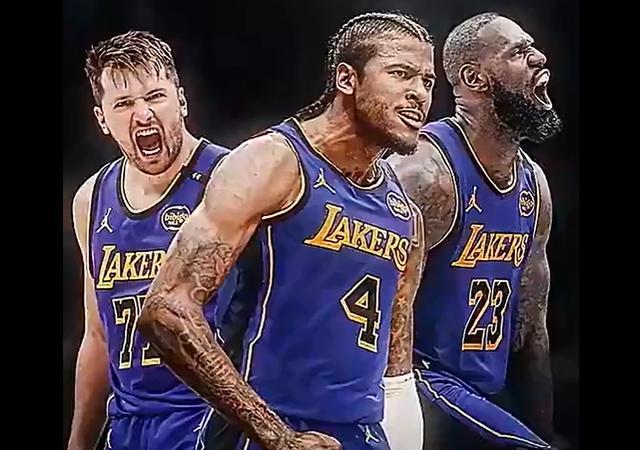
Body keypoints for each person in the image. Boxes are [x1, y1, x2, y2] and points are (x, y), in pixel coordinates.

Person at [137, 12, 435, 450]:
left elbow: (396, 368)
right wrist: (278, 437)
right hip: (263, 430)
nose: (419, 93)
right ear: (347, 79)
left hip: (362, 433)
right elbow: (166, 310)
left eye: (428, 81)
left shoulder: (405, 213)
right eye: (401, 74)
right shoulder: (272, 162)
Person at [388, 12, 563, 450]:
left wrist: (543, 432)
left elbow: (530, 328)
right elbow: (371, 310)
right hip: (420, 381)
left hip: (484, 388)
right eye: (519, 52)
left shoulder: (534, 185)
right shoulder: (425, 175)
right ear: (474, 78)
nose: (539, 58)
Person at [67, 30, 235, 450]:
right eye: (124, 103)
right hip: (129, 426)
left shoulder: (233, 178)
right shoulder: (91, 198)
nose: (142, 113)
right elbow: (98, 337)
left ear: (181, 100)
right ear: (102, 119)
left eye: (155, 96)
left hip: (209, 421)